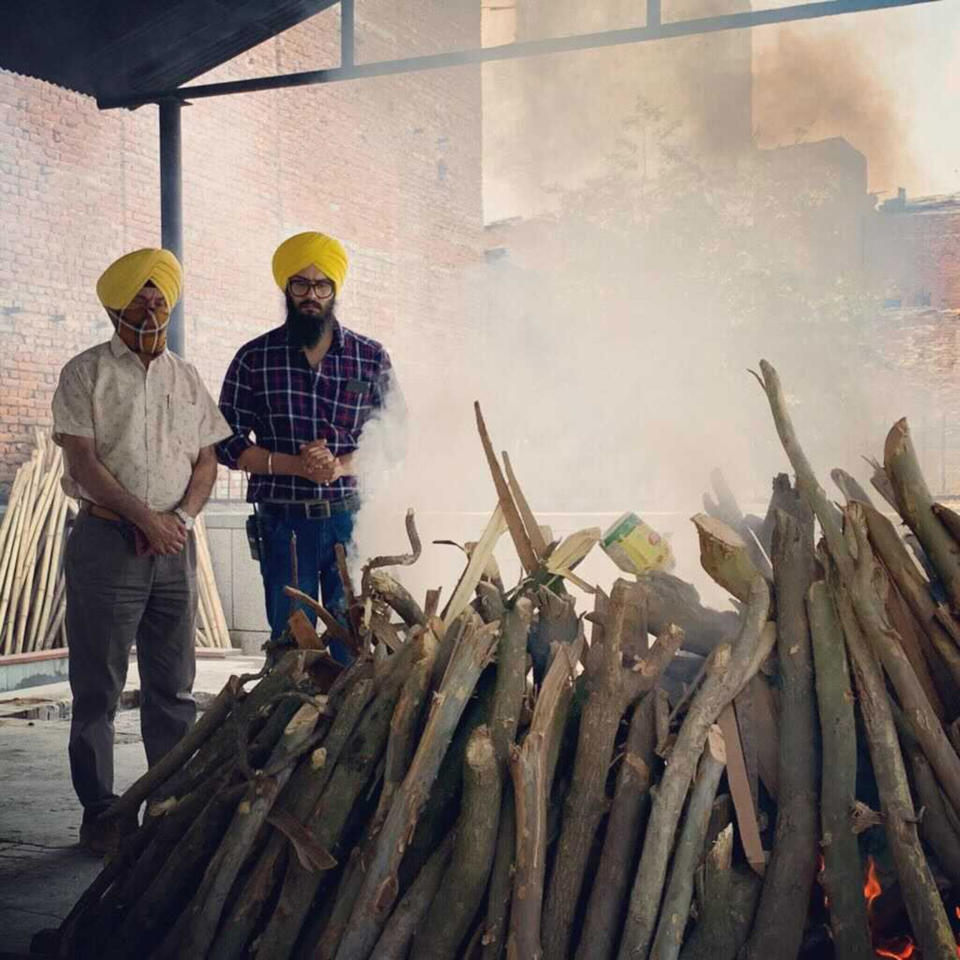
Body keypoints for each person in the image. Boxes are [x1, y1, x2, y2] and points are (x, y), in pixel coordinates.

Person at [51, 248, 231, 854]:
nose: (152, 310)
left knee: (173, 686)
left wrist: (177, 519)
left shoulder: (187, 377)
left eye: (161, 301)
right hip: (107, 542)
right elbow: (83, 461)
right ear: (115, 307)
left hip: (174, 544)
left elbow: (207, 458)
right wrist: (144, 518)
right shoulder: (85, 374)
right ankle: (101, 811)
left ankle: (167, 803)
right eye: (140, 300)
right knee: (97, 687)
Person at [217, 231, 399, 662]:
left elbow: (396, 436)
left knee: (352, 644)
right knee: (290, 645)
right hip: (283, 525)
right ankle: (289, 726)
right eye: (300, 284)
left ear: (335, 290)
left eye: (322, 285)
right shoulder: (254, 358)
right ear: (286, 289)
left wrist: (339, 466)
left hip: (349, 522)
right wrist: (293, 466)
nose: (311, 295)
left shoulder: (369, 356)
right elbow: (225, 442)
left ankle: (347, 729)